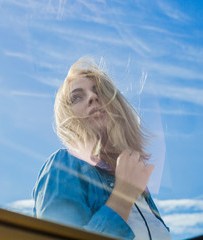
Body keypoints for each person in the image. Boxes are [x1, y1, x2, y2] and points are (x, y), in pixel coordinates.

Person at [32, 57, 171, 240]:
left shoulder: (140, 187)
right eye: (77, 97)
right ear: (68, 116)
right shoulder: (64, 165)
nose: (92, 97)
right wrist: (122, 198)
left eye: (99, 91)